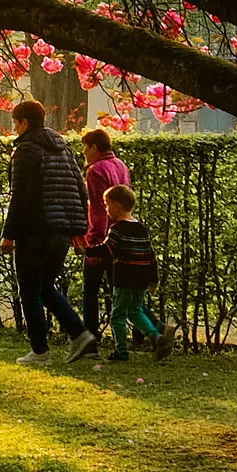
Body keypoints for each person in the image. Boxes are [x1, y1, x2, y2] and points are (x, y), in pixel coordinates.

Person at [0, 99, 97, 365]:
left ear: (24, 123)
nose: (14, 128)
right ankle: (79, 334)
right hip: (61, 231)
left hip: (35, 229)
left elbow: (20, 196)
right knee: (45, 287)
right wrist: (78, 230)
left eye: (15, 123)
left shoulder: (25, 150)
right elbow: (80, 191)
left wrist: (8, 234)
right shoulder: (64, 151)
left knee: (30, 290)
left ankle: (40, 352)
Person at [101, 183, 171, 362]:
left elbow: (107, 250)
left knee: (117, 315)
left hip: (124, 278)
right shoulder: (142, 228)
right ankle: (156, 336)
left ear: (117, 205)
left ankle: (121, 351)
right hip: (140, 278)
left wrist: (87, 250)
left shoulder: (117, 229)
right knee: (135, 310)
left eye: (107, 204)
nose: (106, 209)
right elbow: (151, 255)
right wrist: (153, 278)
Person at [77, 127, 130, 347]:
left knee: (90, 290)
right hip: (123, 234)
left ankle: (90, 338)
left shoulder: (96, 170)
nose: (83, 153)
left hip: (104, 238)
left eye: (85, 148)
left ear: (94, 147)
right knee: (120, 289)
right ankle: (150, 330)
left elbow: (98, 210)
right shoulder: (120, 165)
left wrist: (93, 243)